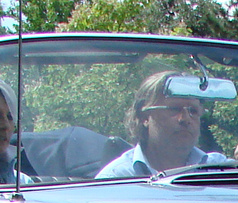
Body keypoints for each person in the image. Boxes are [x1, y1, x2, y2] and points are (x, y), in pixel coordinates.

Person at [97, 71, 228, 178]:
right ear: (144, 117)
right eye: (175, 109)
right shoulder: (116, 178)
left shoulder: (218, 169)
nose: (186, 119)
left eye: (193, 111)